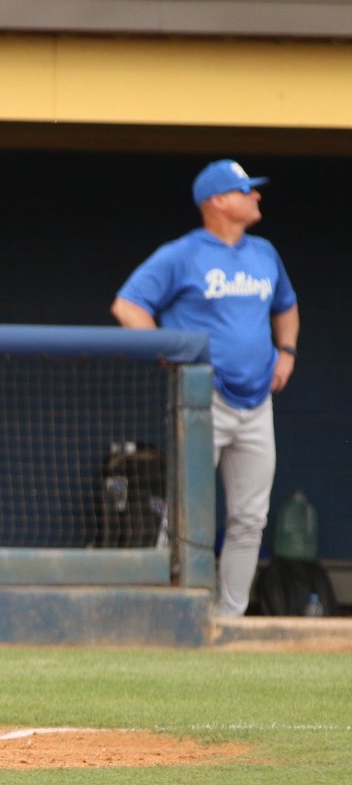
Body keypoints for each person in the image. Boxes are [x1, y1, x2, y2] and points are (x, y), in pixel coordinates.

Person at [111, 159, 299, 618]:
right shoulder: (183, 254)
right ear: (217, 201)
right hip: (203, 400)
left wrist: (287, 351)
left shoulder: (264, 252)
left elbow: (286, 305)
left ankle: (230, 617)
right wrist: (162, 348)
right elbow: (128, 305)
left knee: (251, 519)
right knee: (183, 515)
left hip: (257, 403)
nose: (256, 196)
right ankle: (169, 612)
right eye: (245, 190)